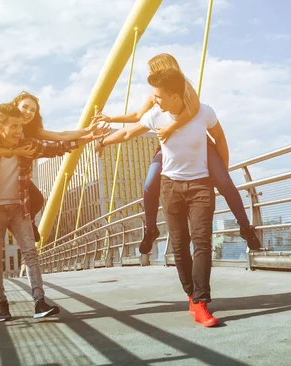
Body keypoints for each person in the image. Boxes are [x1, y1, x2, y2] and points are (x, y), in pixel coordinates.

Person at [94, 53, 261, 255]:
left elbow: (193, 112)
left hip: (198, 145)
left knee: (224, 182)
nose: (149, 75)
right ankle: (150, 228)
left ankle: (245, 227)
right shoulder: (154, 97)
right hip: (169, 147)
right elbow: (137, 119)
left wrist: (170, 128)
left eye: (151, 70)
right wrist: (109, 124)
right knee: (149, 184)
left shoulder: (186, 90)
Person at [0, 103, 109, 321]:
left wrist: (89, 137)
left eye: (20, 126)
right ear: (0, 127)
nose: (19, 131)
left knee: (30, 253)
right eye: (14, 126)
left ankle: (39, 301)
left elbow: (58, 147)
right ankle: (1, 303)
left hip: (20, 207)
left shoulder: (27, 145)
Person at [96, 68, 224, 327]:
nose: (154, 100)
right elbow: (127, 133)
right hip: (170, 187)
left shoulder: (204, 112)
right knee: (179, 246)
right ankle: (191, 295)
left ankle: (201, 303)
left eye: (159, 96)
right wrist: (103, 142)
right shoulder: (156, 115)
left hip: (200, 186)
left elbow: (219, 138)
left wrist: (220, 176)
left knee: (202, 242)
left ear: (176, 96)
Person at [0, 91, 94, 258]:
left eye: (33, 110)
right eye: (25, 107)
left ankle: (29, 221)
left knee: (37, 200)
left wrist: (88, 132)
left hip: (12, 179)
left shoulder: (30, 131)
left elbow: (60, 137)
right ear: (14, 107)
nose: (28, 112)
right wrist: (15, 151)